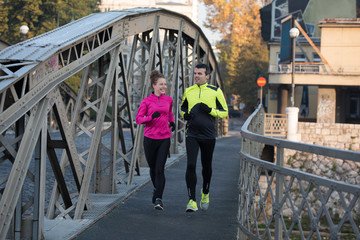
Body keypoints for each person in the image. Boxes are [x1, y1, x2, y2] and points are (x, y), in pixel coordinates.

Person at [180, 63, 228, 212]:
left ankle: (205, 193)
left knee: (206, 167)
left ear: (207, 76)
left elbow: (224, 112)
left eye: (199, 74)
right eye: (195, 73)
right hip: (192, 134)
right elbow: (183, 108)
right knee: (191, 165)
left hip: (208, 135)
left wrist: (210, 110)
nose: (196, 76)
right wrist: (185, 115)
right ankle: (192, 201)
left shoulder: (215, 91)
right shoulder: (189, 91)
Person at [135, 70, 175, 210]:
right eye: (161, 84)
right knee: (153, 169)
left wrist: (172, 121)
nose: (164, 87)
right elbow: (138, 119)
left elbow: (169, 113)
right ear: (154, 86)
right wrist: (151, 117)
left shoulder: (168, 100)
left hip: (164, 138)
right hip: (150, 139)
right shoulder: (146, 102)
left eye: (165, 84)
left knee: (160, 169)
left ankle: (159, 199)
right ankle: (156, 189)